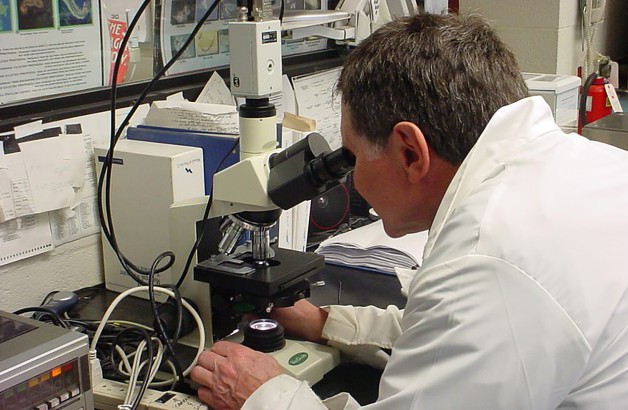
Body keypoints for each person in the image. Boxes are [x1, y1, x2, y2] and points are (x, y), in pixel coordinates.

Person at [191, 13, 628, 409]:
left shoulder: (491, 255)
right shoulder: (585, 167)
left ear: (409, 152)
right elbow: (455, 335)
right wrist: (328, 322)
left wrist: (264, 396)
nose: (353, 180)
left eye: (354, 157)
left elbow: (473, 314)